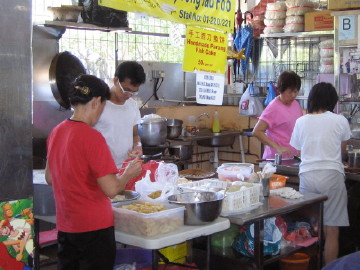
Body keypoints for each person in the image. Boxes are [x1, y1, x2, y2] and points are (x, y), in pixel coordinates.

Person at [45, 74, 143, 270]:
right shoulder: (92, 137)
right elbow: (111, 189)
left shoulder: (56, 131)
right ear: (97, 101)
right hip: (94, 228)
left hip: (66, 225)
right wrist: (129, 173)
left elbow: (49, 177)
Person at [290, 82, 351, 266]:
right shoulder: (339, 120)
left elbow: (299, 151)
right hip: (332, 176)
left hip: (307, 176)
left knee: (310, 229)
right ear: (332, 101)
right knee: (331, 231)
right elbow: (342, 151)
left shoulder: (301, 121)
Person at [94, 61, 146, 168]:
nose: (129, 95)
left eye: (133, 92)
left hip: (125, 171)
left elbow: (135, 135)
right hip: (101, 171)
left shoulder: (132, 105)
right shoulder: (98, 104)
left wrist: (138, 146)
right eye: (126, 90)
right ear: (115, 80)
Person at [253, 71, 303, 159]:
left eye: (296, 92)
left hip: (293, 158)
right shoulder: (273, 107)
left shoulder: (296, 104)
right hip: (275, 160)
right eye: (290, 92)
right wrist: (277, 147)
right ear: (281, 90)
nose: (293, 95)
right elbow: (257, 131)